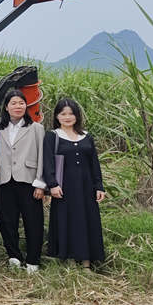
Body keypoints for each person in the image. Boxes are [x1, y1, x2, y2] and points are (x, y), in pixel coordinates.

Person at [43, 98, 106, 267]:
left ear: (77, 116)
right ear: (57, 116)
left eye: (71, 113)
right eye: (63, 114)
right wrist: (52, 184)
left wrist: (99, 186)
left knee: (87, 221)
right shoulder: (53, 136)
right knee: (67, 221)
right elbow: (47, 162)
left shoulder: (86, 136)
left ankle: (86, 261)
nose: (67, 117)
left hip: (86, 188)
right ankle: (69, 259)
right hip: (64, 188)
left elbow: (94, 164)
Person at [0, 89, 46, 273]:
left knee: (33, 221)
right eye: (14, 103)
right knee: (7, 221)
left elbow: (43, 156)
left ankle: (33, 259)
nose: (18, 106)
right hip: (5, 180)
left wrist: (41, 182)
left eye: (21, 103)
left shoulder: (36, 128)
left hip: (29, 180)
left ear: (26, 106)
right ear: (6, 107)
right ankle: (14, 256)